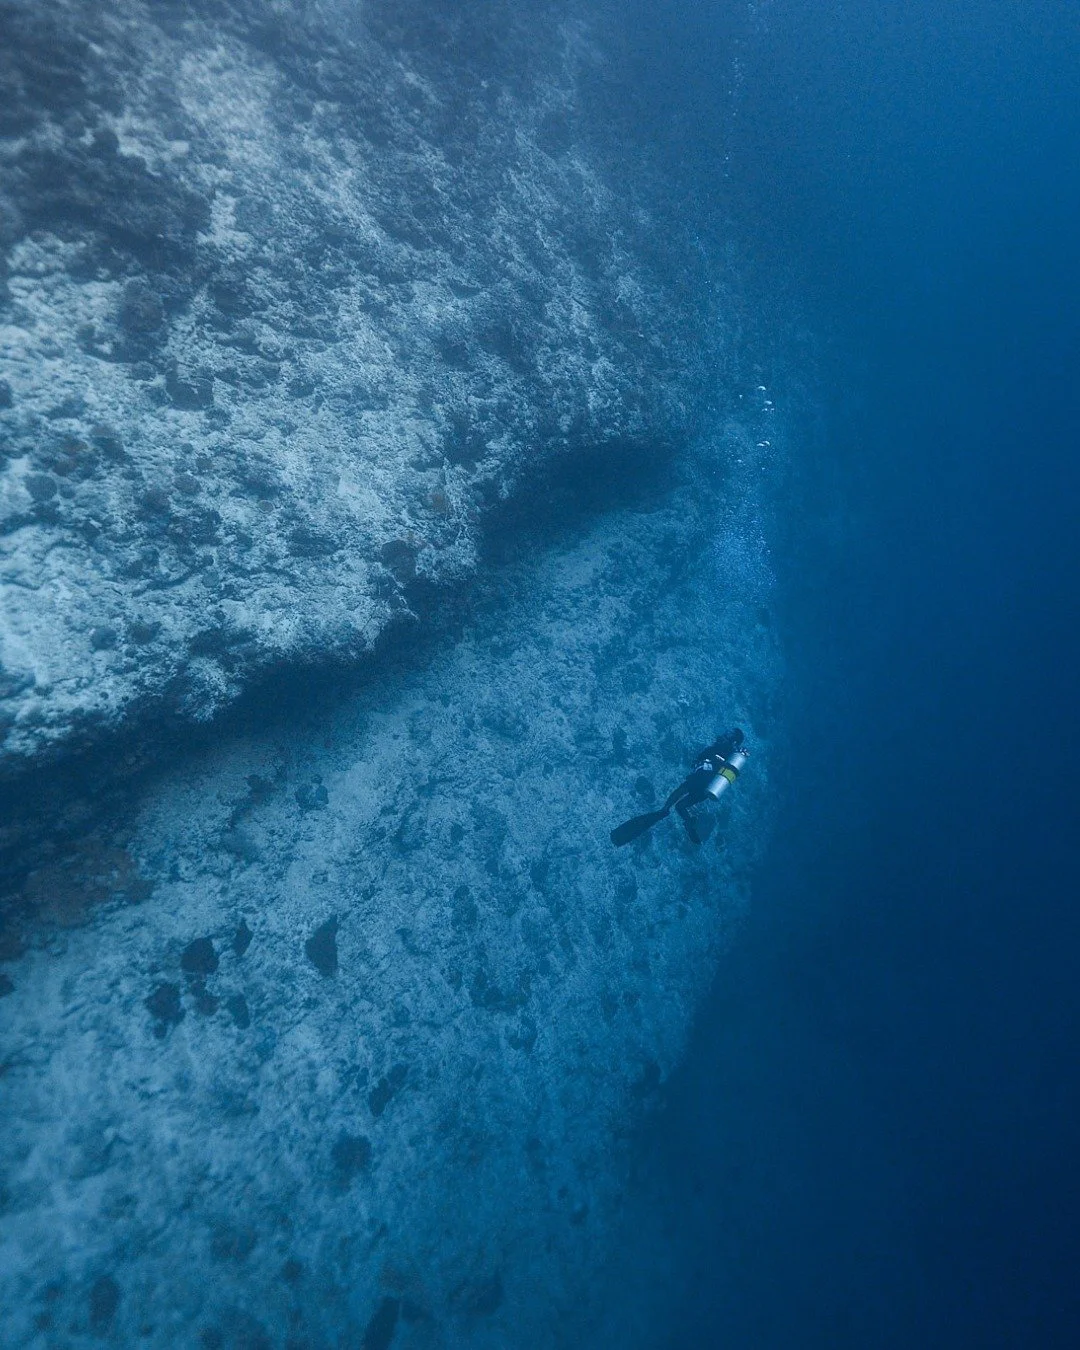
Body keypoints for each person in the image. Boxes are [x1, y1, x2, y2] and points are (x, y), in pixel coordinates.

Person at [610, 728, 746, 847]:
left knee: (679, 792)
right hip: (707, 789)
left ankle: (664, 810)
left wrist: (734, 752)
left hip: (701, 779)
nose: (724, 734)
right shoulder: (728, 749)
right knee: (680, 806)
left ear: (733, 741)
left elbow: (714, 757)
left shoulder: (728, 750)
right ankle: (690, 824)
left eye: (729, 734)